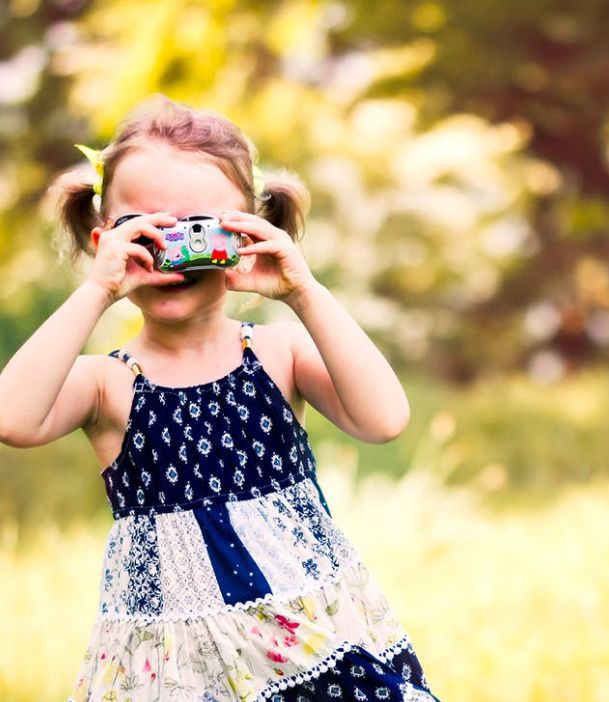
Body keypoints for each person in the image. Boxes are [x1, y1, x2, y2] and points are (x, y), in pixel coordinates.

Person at [0, 94, 440, 702]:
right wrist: (97, 289)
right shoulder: (106, 382)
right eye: (143, 229)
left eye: (197, 229)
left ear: (246, 236)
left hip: (303, 637)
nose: (170, 249)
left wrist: (303, 290)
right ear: (105, 240)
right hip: (178, 661)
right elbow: (11, 418)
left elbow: (384, 419)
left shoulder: (279, 352)